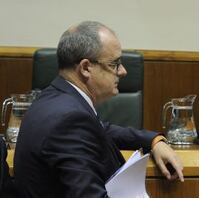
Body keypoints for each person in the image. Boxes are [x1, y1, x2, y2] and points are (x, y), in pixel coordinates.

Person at [14, 21, 184, 197]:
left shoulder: (55, 99)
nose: (123, 71)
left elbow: (101, 129)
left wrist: (153, 141)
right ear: (86, 68)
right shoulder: (69, 120)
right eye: (115, 63)